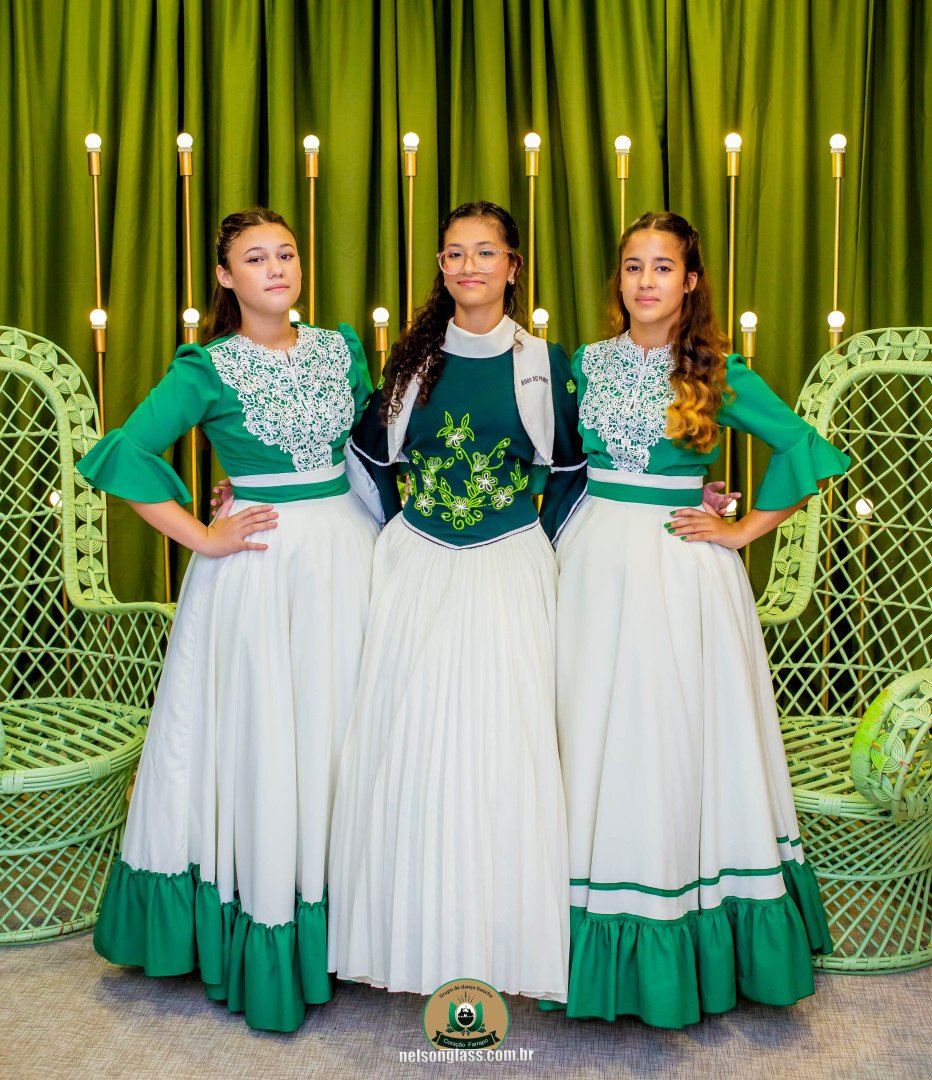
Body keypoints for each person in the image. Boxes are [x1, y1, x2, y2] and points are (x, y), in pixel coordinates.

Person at [78, 208, 379, 1032]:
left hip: (348, 556)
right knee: (268, 737)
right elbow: (123, 453)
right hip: (260, 571)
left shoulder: (340, 348)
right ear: (225, 276)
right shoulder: (206, 367)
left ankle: (350, 917)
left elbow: (371, 450)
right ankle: (270, 919)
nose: (276, 268)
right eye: (255, 257)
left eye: (286, 253)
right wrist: (204, 534)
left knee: (341, 730)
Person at [551, 210, 847, 1028]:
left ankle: (685, 922)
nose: (645, 281)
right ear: (619, 279)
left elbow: (802, 446)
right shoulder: (586, 364)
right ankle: (578, 924)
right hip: (591, 560)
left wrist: (742, 528)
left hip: (677, 570)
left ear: (689, 281)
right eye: (633, 266)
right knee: (592, 726)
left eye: (662, 267)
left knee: (671, 736)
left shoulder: (716, 368)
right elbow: (562, 463)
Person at [327, 201, 583, 1002]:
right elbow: (368, 459)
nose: (469, 266)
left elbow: (572, 470)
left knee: (503, 744)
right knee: (411, 740)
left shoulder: (543, 362)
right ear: (441, 267)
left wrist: (541, 543)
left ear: (513, 266)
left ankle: (501, 942)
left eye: (485, 252)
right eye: (454, 254)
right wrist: (393, 538)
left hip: (509, 566)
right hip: (420, 565)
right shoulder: (412, 360)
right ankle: (412, 936)